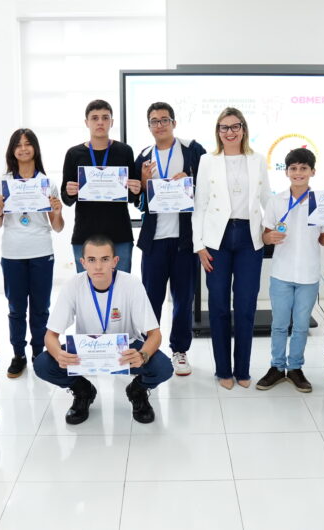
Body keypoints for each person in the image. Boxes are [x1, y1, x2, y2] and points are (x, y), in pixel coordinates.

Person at [33, 235, 173, 425]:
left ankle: (137, 391)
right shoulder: (72, 285)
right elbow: (50, 335)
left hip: (126, 350)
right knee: (42, 364)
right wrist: (59, 354)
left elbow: (155, 334)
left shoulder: (131, 284)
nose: (98, 267)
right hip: (86, 352)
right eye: (92, 260)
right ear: (82, 262)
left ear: (115, 261)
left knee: (164, 368)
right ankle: (83, 391)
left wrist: (143, 355)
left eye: (105, 259)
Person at [192, 107, 271, 390]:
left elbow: (267, 200)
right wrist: (199, 246)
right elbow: (199, 205)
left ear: (243, 129)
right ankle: (223, 369)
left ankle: (243, 369)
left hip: (250, 238)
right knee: (218, 306)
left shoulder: (257, 160)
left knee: (246, 306)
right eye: (224, 127)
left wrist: (274, 229)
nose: (230, 132)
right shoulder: (207, 161)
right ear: (218, 132)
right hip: (217, 240)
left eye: (235, 126)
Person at [256, 148, 324, 393]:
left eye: (303, 168)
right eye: (293, 168)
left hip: (308, 275)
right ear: (286, 172)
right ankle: (276, 367)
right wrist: (269, 237)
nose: (298, 173)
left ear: (312, 172)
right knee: (279, 324)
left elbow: (322, 239)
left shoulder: (321, 203)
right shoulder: (276, 201)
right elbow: (265, 235)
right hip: (281, 275)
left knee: (301, 326)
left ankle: (295, 368)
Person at [135, 102, 206, 376]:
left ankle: (179, 350)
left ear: (174, 123)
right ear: (149, 126)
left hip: (184, 240)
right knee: (150, 299)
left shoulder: (191, 149)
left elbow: (207, 183)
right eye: (154, 121)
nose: (160, 125)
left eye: (165, 120)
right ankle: (148, 350)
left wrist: (190, 179)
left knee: (183, 298)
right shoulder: (143, 156)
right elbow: (136, 199)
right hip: (154, 240)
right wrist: (142, 181)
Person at [0, 128, 64, 378]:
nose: (23, 148)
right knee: (16, 307)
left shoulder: (47, 182)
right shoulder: (3, 183)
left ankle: (39, 353)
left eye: (27, 144)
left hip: (41, 251)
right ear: (12, 150)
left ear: (35, 148)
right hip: (12, 253)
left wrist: (57, 211)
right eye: (18, 145)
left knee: (41, 308)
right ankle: (18, 354)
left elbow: (57, 227)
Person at [61, 99, 140, 273]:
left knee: (121, 287)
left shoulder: (125, 151)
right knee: (87, 290)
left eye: (105, 118)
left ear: (112, 122)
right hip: (85, 234)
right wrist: (70, 192)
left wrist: (135, 189)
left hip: (119, 234)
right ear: (86, 122)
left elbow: (132, 196)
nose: (100, 122)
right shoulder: (74, 154)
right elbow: (66, 199)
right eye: (95, 118)